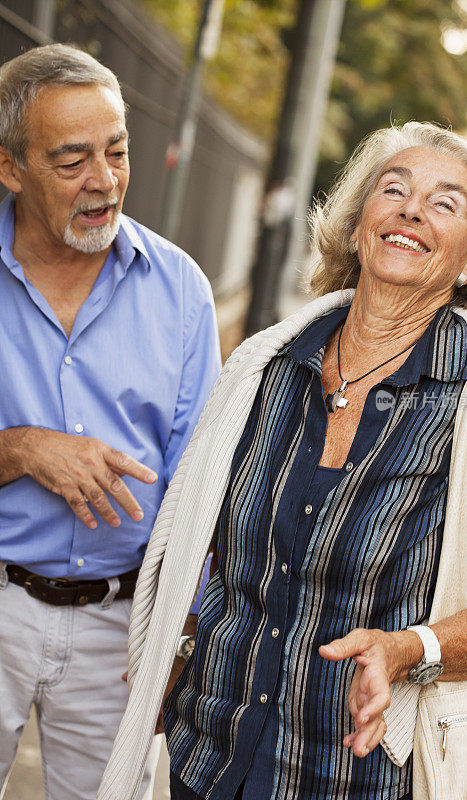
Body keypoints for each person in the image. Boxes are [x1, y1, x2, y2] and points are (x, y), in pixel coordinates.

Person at [98, 122, 467, 800]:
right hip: (208, 754)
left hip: (357, 774)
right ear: (359, 225)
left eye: (444, 203)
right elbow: (211, 551)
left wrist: (410, 648)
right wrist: (178, 652)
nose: (411, 210)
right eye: (394, 191)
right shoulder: (262, 371)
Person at [0, 44, 220, 800]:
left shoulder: (181, 289)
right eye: (71, 161)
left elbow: (202, 484)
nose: (104, 180)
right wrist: (24, 449)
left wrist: (181, 636)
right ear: (9, 168)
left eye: (117, 151)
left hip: (120, 633)